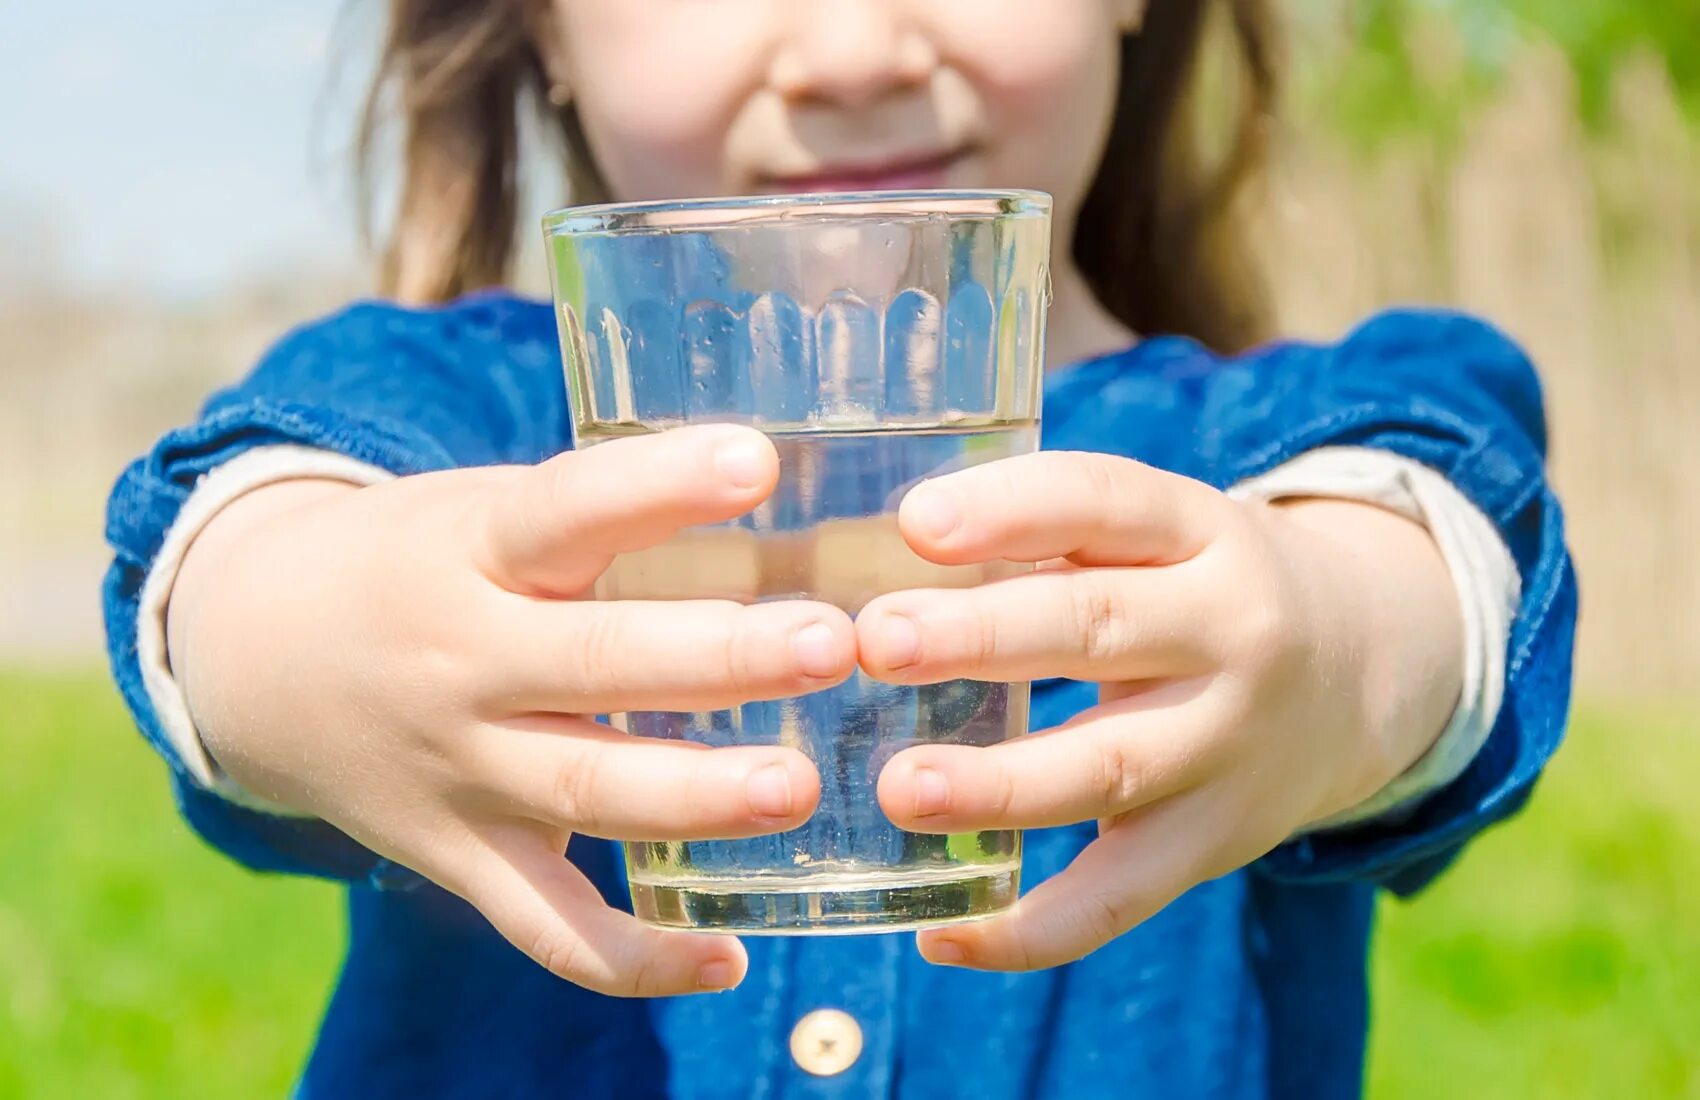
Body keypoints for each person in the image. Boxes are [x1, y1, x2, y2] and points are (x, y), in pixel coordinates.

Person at [103, 1, 1576, 1096]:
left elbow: (1442, 558)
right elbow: (230, 553)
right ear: (539, 26)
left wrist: (1335, 639)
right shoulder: (457, 420)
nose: (854, 50)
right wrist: (311, 633)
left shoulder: (1289, 452)